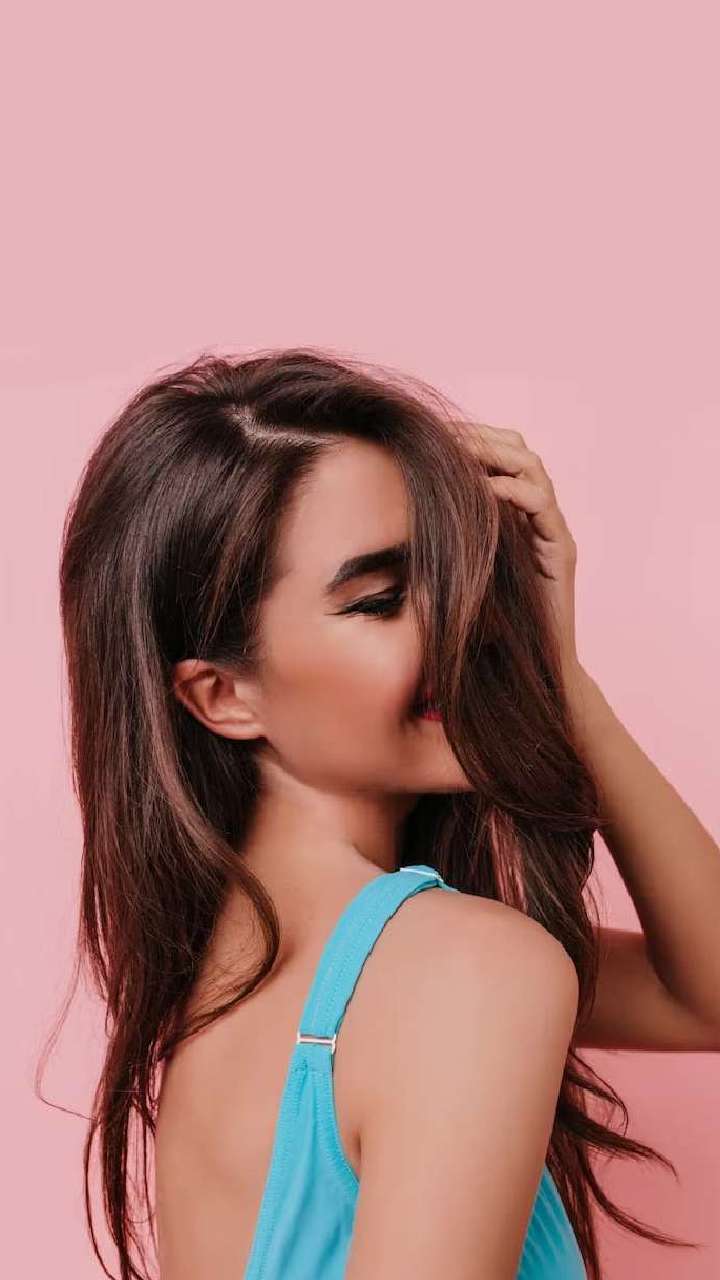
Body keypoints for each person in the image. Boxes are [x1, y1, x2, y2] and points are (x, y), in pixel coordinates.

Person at [53, 347, 697, 1279]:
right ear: (223, 696)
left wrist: (559, 678)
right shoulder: (458, 969)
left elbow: (703, 995)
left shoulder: (234, 984)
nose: (463, 621)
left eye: (458, 575)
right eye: (381, 600)